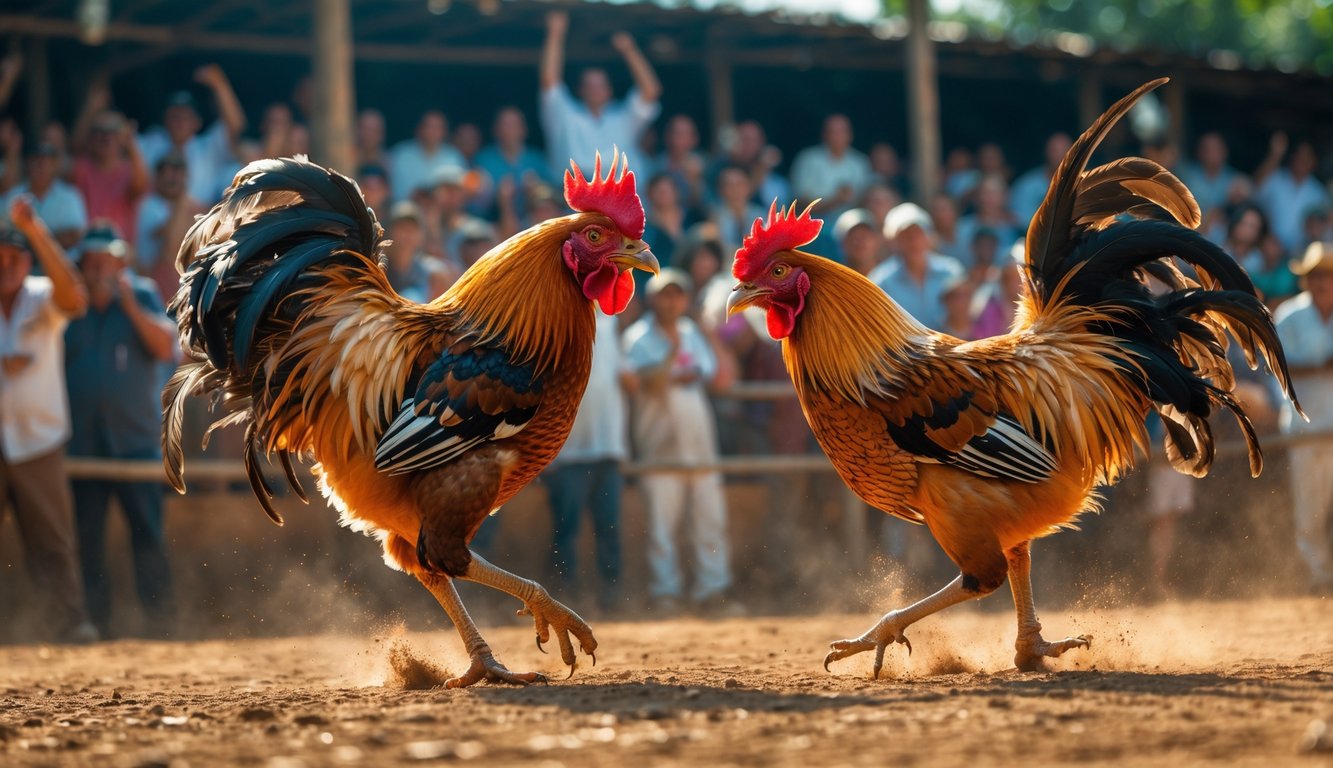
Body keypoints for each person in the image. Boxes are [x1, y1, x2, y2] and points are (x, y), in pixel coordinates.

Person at [64, 225, 179, 638]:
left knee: (148, 534)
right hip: (84, 445)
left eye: (107, 261)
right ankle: (95, 624)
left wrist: (128, 303)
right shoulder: (68, 304)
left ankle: (162, 624)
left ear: (121, 263)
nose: (99, 270)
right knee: (87, 538)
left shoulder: (143, 294)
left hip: (135, 441)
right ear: (82, 264)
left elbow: (167, 348)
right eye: (92, 261)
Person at [0, 196, 97, 643]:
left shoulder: (42, 293)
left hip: (38, 440)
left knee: (54, 543)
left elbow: (75, 298)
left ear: (27, 259)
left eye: (14, 257)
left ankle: (68, 624)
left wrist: (35, 230)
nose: (6, 266)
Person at [623, 268, 734, 614]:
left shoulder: (692, 333)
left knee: (710, 523)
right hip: (659, 447)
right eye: (664, 294)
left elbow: (721, 379)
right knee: (662, 529)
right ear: (652, 298)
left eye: (677, 295)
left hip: (700, 448)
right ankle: (665, 593)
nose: (671, 301)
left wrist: (708, 334)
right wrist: (672, 355)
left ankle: (712, 590)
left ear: (685, 300)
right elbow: (644, 382)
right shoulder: (637, 337)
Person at [543, 309, 628, 614]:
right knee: (566, 528)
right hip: (567, 453)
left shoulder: (610, 324)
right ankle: (564, 597)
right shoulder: (556, 322)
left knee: (609, 525)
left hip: (607, 448)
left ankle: (612, 595)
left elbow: (625, 376)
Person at [1274, 241, 1333, 595]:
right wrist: (1318, 366)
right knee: (1310, 505)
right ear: (1308, 280)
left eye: (1329, 275)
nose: (1324, 281)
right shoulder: (1289, 317)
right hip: (1305, 427)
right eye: (1318, 275)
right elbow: (1277, 367)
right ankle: (1316, 573)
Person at [539, 10, 662, 173]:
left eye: (600, 85)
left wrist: (629, 50)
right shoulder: (565, 115)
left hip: (617, 197)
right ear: (580, 90)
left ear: (609, 91)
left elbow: (651, 91)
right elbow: (549, 81)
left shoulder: (623, 119)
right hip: (569, 196)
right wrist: (555, 33)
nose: (595, 90)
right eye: (589, 85)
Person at [138, 65, 247, 205]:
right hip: (154, 220)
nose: (180, 123)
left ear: (197, 123)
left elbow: (236, 126)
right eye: (175, 116)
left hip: (198, 220)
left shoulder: (207, 147)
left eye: (186, 118)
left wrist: (220, 85)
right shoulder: (153, 141)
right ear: (165, 120)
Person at [869, 202, 964, 331]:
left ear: (928, 237)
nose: (913, 240)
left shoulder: (951, 271)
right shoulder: (880, 281)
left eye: (918, 233)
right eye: (905, 235)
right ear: (894, 241)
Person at [71, 109, 149, 249]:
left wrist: (131, 143)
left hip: (119, 252)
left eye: (113, 132)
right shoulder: (81, 168)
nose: (106, 137)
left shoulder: (129, 171)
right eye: (99, 131)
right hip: (86, 251)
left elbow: (141, 185)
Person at [135, 152, 205, 302]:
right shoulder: (148, 206)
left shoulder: (190, 205)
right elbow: (171, 243)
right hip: (153, 286)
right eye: (165, 172)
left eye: (176, 172)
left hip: (182, 288)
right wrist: (183, 200)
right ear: (157, 177)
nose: (171, 177)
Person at [1, 142, 87, 249]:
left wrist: (32, 244)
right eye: (36, 161)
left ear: (55, 164)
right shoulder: (12, 197)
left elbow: (75, 235)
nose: (41, 166)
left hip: (59, 264)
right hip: (23, 264)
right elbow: (4, 235)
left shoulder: (70, 196)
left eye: (46, 162)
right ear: (28, 163)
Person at [473, 107, 553, 221]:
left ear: (524, 130)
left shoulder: (536, 159)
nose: (511, 130)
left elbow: (555, 193)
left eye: (515, 125)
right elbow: (474, 204)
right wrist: (498, 195)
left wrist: (538, 189)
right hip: (493, 223)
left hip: (532, 221)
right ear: (496, 130)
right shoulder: (484, 159)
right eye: (506, 125)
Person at [1255, 134, 1329, 253]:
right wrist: (1275, 154)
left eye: (1307, 156)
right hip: (1269, 251)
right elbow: (1256, 188)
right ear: (1292, 157)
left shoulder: (1318, 192)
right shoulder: (1275, 178)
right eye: (1298, 155)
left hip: (1303, 252)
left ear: (1314, 161)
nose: (1302, 159)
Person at [790, 114, 872, 219]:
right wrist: (836, 200)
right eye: (832, 131)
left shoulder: (860, 162)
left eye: (842, 131)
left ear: (850, 134)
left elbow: (867, 200)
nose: (837, 136)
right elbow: (799, 203)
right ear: (824, 134)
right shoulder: (808, 159)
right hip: (813, 221)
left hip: (852, 224)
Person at [388, 111, 465, 204]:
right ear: (419, 128)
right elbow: (393, 193)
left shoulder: (453, 157)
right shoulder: (401, 155)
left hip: (443, 213)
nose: (433, 132)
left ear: (445, 132)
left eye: (437, 128)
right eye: (429, 127)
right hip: (407, 211)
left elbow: (460, 194)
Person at [1009, 132, 1072, 224]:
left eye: (1066, 150)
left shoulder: (1087, 183)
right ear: (1046, 152)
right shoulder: (1026, 185)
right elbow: (1020, 222)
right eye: (1055, 151)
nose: (1061, 155)